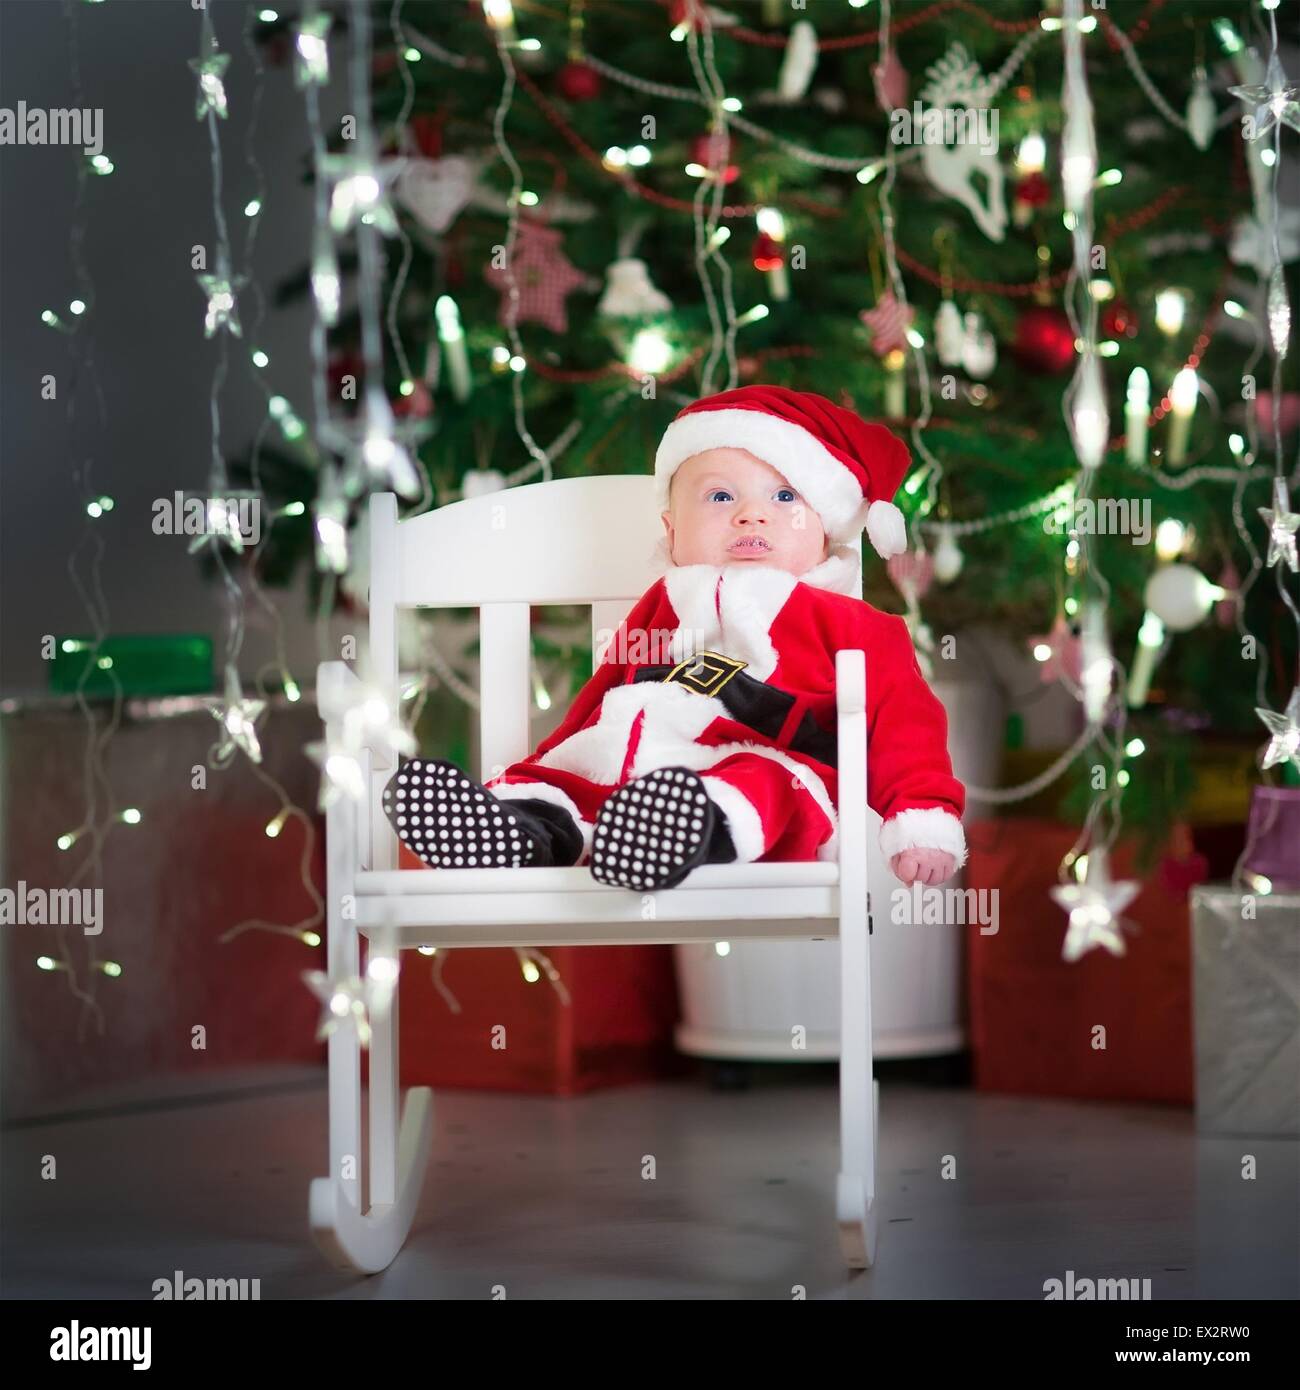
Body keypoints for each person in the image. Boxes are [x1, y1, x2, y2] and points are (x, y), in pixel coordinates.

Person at [383, 385, 966, 892]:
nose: (751, 516)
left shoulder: (850, 624)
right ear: (672, 529)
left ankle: (679, 829)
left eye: (785, 497)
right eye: (720, 497)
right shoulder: (660, 607)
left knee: (763, 782)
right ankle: (515, 830)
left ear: (828, 531)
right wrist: (547, 760)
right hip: (630, 759)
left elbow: (904, 719)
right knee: (564, 779)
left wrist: (922, 812)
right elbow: (602, 693)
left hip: (766, 763)